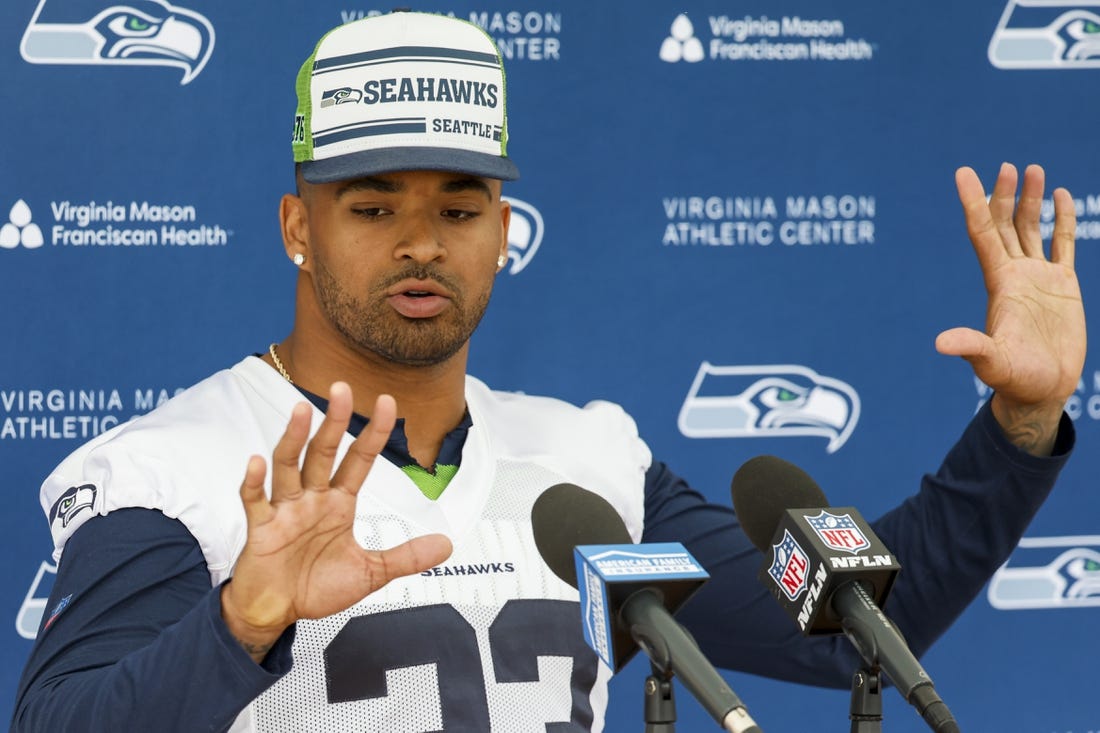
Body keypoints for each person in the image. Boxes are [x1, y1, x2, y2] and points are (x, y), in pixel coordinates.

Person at [12, 10, 1085, 733]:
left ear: (502, 229)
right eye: (374, 204)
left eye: (458, 207)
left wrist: (1019, 419)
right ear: (299, 225)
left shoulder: (589, 466)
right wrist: (239, 622)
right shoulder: (171, 469)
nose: (420, 242)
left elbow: (845, 628)